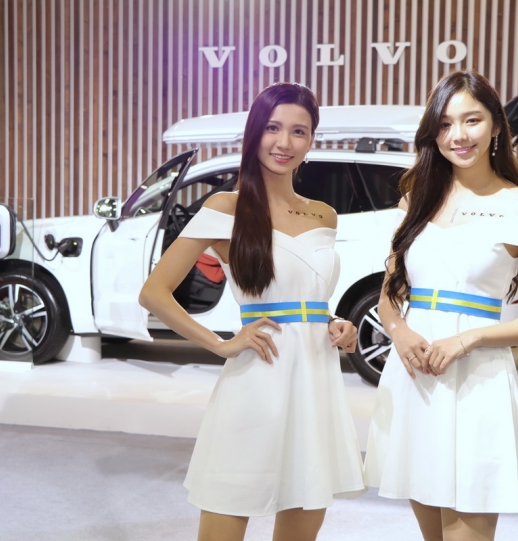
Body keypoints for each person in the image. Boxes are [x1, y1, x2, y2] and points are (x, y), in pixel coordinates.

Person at [138, 82, 364, 541]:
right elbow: (154, 293)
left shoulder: (323, 214)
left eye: (299, 131)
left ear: (311, 139)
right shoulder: (226, 207)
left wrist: (336, 323)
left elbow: (308, 294)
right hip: (258, 375)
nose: (284, 142)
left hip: (315, 379)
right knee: (229, 502)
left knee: (304, 510)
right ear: (254, 132)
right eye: (273, 128)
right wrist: (220, 344)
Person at [364, 70, 518, 541]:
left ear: (496, 125)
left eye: (471, 120)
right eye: (445, 123)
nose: (458, 135)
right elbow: (390, 294)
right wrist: (400, 333)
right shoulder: (416, 200)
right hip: (415, 375)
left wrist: (469, 338)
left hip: (478, 379)